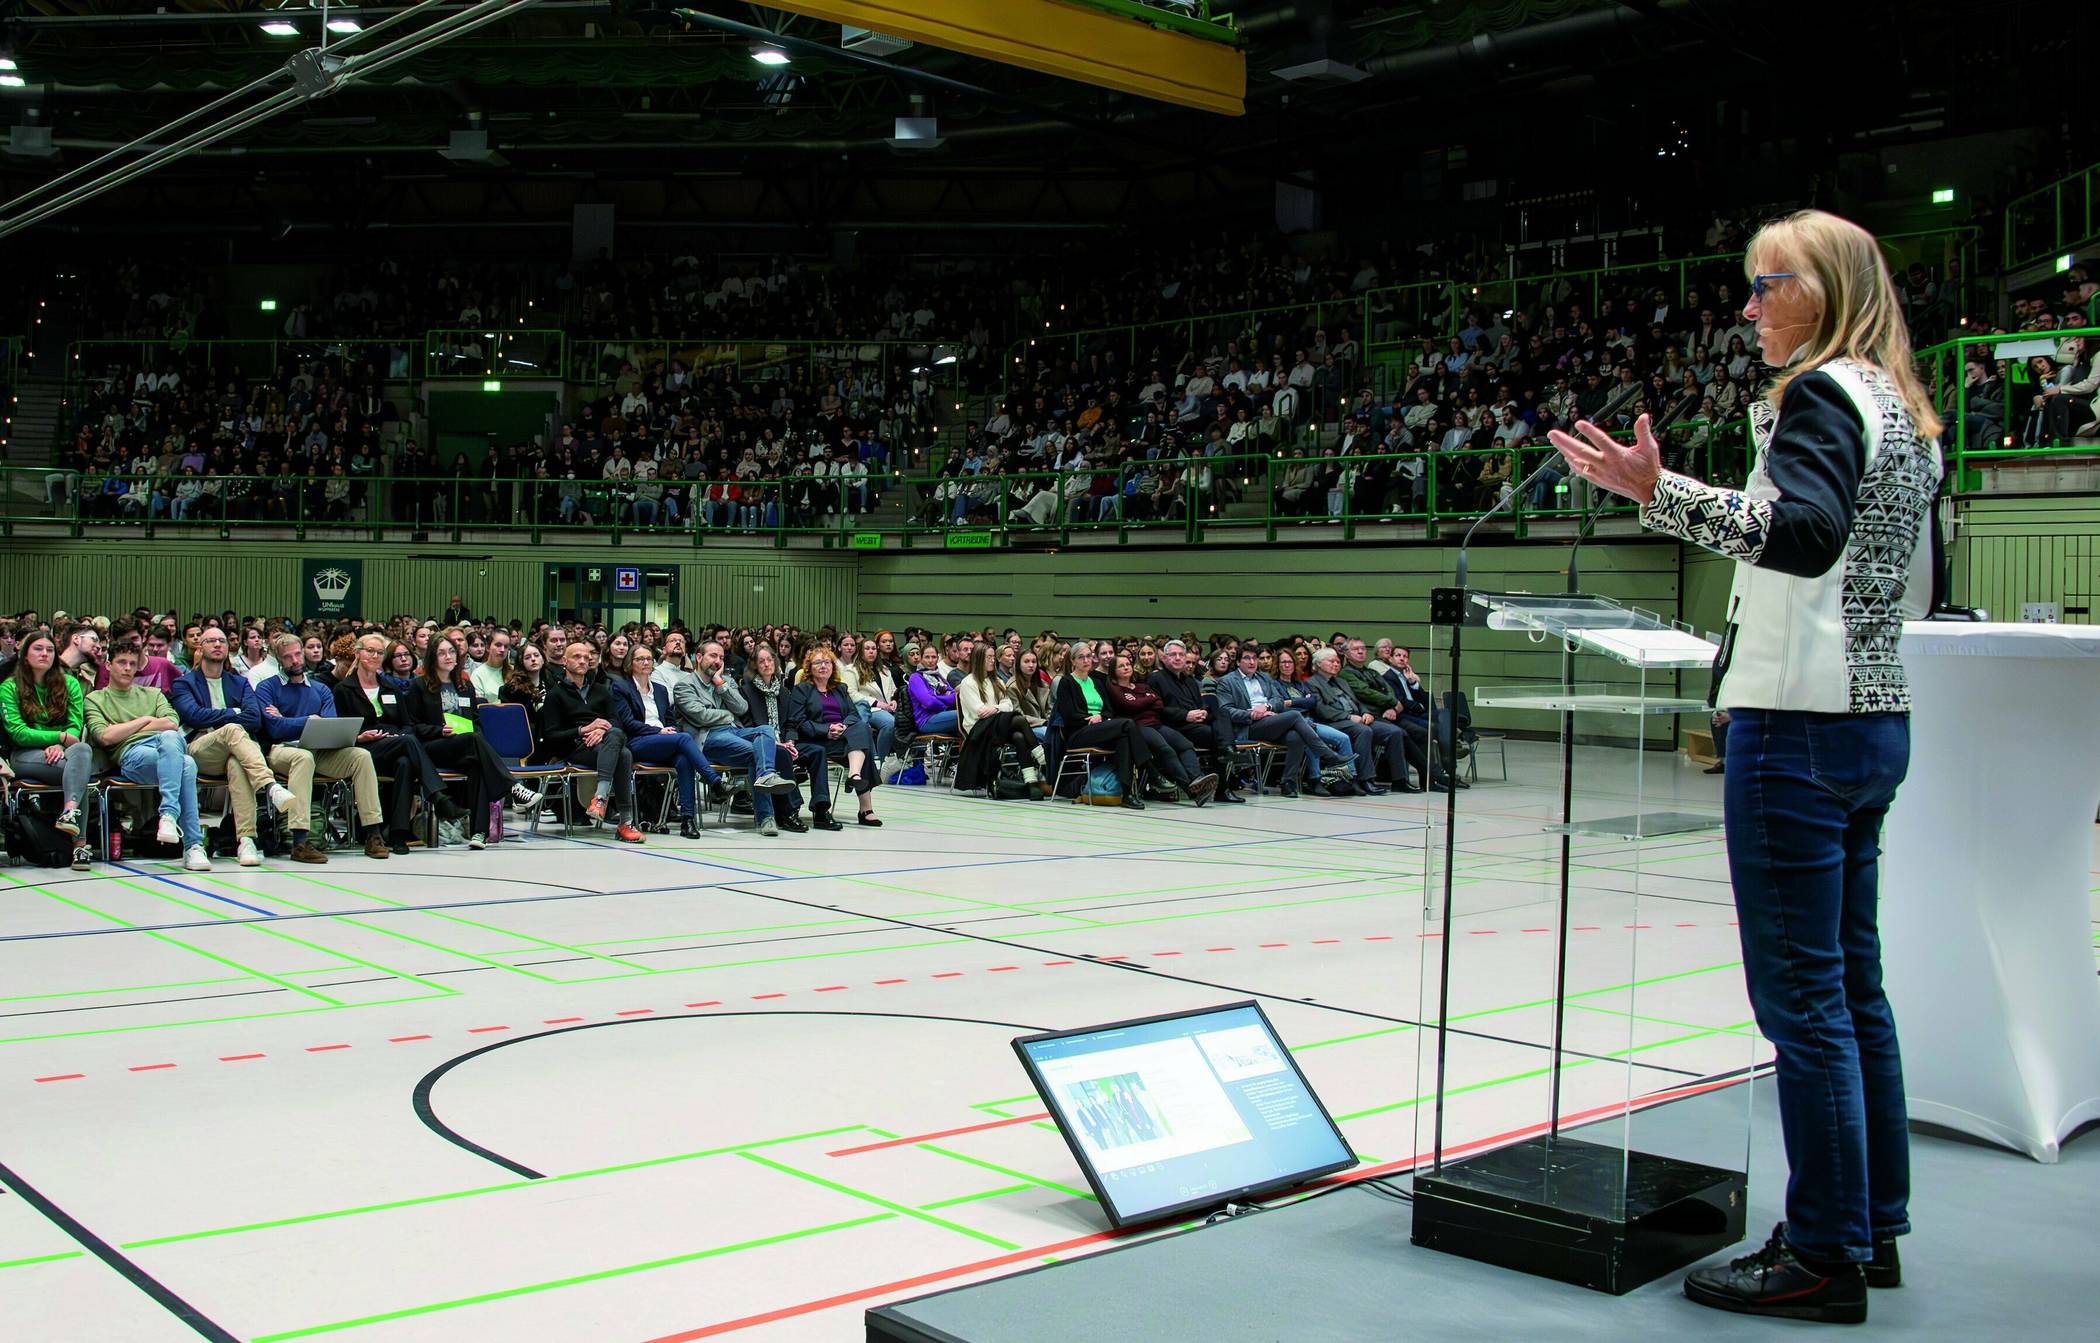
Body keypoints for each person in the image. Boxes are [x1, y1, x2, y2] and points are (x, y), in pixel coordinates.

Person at [1550, 209, 1943, 1324]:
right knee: (1855, 987)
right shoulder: (1906, 410)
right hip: (1874, 717)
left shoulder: (1821, 394)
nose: (1750, 305)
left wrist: (1658, 493)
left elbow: (1804, 533)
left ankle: (1821, 1251)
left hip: (1797, 722)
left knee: (1804, 1003)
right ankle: (1873, 1223)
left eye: (1767, 284)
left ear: (1821, 291)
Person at [169, 627, 300, 865]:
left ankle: (246, 841)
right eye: (211, 641)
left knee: (237, 763)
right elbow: (194, 716)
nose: (218, 644)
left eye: (222, 640)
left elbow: (254, 718)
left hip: (235, 752)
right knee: (233, 730)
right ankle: (270, 786)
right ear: (201, 647)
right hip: (200, 750)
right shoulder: (184, 683)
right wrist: (232, 712)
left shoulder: (239, 683)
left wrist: (221, 715)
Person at [249, 633, 387, 860]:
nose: (294, 660)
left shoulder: (320, 688)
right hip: (281, 750)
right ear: (278, 660)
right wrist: (308, 720)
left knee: (361, 756)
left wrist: (289, 720)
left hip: (319, 749)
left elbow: (328, 723)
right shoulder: (267, 688)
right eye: (287, 657)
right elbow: (274, 728)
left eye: (296, 654)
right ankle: (300, 841)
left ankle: (373, 833)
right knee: (303, 758)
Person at [333, 633, 468, 851]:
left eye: (379, 652)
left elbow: (407, 725)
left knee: (405, 762)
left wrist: (397, 736)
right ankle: (437, 796)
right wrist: (361, 737)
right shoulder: (344, 690)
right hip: (363, 750)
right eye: (370, 651)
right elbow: (341, 730)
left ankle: (398, 834)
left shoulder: (390, 688)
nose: (375, 656)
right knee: (408, 744)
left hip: (395, 745)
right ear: (358, 653)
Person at [85, 640, 211, 872]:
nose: (127, 668)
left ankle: (170, 818)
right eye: (122, 662)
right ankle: (192, 844)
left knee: (178, 751)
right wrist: (146, 720)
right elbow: (105, 737)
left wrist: (124, 727)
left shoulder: (153, 694)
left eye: (132, 664)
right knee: (186, 764)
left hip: (166, 747)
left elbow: (172, 724)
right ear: (109, 665)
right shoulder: (96, 699)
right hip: (132, 754)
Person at [401, 635, 531, 849]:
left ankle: (478, 833)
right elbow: (413, 726)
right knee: (473, 740)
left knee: (477, 764)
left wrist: (472, 731)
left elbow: (476, 722)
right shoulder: (418, 686)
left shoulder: (464, 686)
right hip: (433, 747)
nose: (448, 657)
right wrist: (438, 730)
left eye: (451, 652)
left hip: (464, 746)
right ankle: (513, 786)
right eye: (442, 653)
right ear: (433, 657)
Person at [671, 640, 796, 837]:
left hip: (734, 732)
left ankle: (766, 776)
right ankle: (766, 817)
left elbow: (742, 708)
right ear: (699, 657)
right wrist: (727, 716)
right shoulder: (684, 685)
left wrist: (720, 684)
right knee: (760, 753)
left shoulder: (726, 681)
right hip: (708, 738)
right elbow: (700, 716)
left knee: (765, 731)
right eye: (713, 656)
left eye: (721, 657)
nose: (718, 661)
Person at [608, 644, 724, 839]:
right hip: (637, 742)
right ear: (630, 663)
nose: (646, 662)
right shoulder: (621, 687)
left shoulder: (660, 690)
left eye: (649, 659)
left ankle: (688, 820)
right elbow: (627, 723)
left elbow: (671, 721)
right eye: (640, 659)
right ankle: (714, 782)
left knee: (684, 759)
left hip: (664, 742)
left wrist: (668, 732)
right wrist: (659, 731)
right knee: (684, 739)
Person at [2, 632, 96, 869]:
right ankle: (80, 847)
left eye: (49, 650)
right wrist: (58, 736)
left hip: (64, 753)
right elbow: (18, 733)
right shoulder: (9, 687)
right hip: (24, 755)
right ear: (25, 656)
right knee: (78, 774)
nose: (44, 654)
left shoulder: (70, 683)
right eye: (38, 649)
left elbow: (76, 725)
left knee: (82, 750)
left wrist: (62, 743)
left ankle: (69, 812)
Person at [1214, 645, 1341, 798]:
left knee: (1296, 737)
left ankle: (1288, 783)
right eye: (1247, 658)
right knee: (1294, 715)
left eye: (1254, 658)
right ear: (1238, 662)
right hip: (1248, 725)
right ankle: (1327, 754)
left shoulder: (1264, 678)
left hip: (1270, 721)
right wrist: (1254, 713)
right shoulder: (1227, 681)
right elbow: (1226, 710)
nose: (1252, 662)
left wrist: (1267, 706)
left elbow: (1278, 701)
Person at [1104, 652, 1216, 803]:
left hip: (1156, 723)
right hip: (1138, 727)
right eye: (1121, 666)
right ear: (1114, 671)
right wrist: (1146, 700)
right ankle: (1190, 789)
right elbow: (1129, 705)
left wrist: (1140, 700)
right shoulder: (1114, 688)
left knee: (1186, 745)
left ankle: (1197, 780)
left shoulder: (1142, 686)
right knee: (1165, 749)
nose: (1126, 668)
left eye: (1127, 664)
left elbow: (1158, 703)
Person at [1050, 644, 1152, 809]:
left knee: (1124, 739)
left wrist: (1101, 717)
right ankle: (1150, 769)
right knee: (1127, 723)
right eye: (1081, 657)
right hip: (1078, 733)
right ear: (1073, 661)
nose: (1086, 660)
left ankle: (1126, 794)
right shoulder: (1066, 682)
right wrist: (1090, 719)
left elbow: (1109, 710)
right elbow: (1069, 715)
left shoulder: (1096, 682)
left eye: (1089, 656)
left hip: (1101, 729)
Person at [789, 648, 882, 827]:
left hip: (842, 737)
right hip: (817, 739)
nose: (823, 666)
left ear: (833, 666)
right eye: (818, 662)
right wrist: (827, 729)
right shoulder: (802, 690)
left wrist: (843, 727)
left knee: (861, 728)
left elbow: (853, 714)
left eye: (827, 662)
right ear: (809, 667)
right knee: (864, 747)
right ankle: (865, 808)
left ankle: (855, 775)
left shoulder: (839, 688)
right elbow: (799, 721)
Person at [1145, 639, 1245, 803]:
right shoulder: (1155, 679)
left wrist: (1204, 712)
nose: (1178, 658)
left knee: (1222, 714)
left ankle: (1228, 750)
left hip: (1196, 722)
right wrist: (1186, 715)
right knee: (1215, 736)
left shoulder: (1190, 680)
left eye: (1181, 655)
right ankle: (1224, 780)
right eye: (1173, 655)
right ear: (1164, 658)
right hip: (1175, 726)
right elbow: (1157, 710)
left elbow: (1201, 704)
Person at [738, 643, 819, 833]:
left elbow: (791, 722)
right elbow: (748, 725)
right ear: (755, 666)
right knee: (781, 753)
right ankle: (790, 812)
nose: (767, 664)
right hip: (761, 742)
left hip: (784, 741)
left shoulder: (783, 692)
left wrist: (790, 740)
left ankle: (821, 809)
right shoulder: (747, 691)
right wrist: (775, 742)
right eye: (761, 661)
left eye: (769, 660)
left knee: (817, 751)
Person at [953, 645, 1046, 797]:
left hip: (997, 727)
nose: (992, 660)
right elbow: (980, 711)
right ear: (978, 660)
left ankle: (1032, 782)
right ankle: (1041, 756)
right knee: (1019, 720)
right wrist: (998, 708)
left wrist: (995, 709)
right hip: (978, 730)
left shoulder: (997, 681)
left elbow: (1008, 705)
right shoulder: (968, 683)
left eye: (992, 657)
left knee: (1019, 736)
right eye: (988, 658)